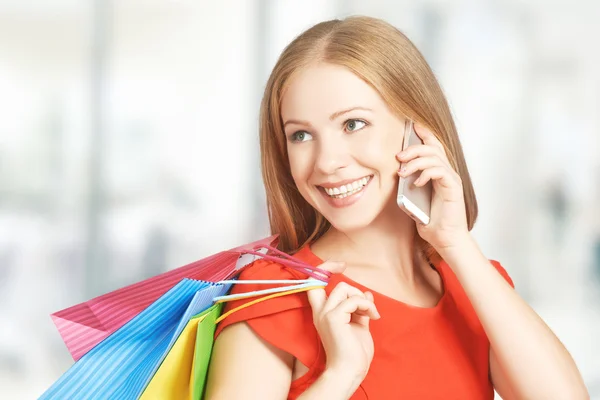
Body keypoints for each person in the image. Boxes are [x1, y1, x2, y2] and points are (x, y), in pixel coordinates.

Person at [205, 16, 588, 399]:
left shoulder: (471, 282)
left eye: (353, 124)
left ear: (417, 128)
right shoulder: (273, 292)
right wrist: (339, 377)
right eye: (300, 135)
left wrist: (456, 244)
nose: (326, 162)